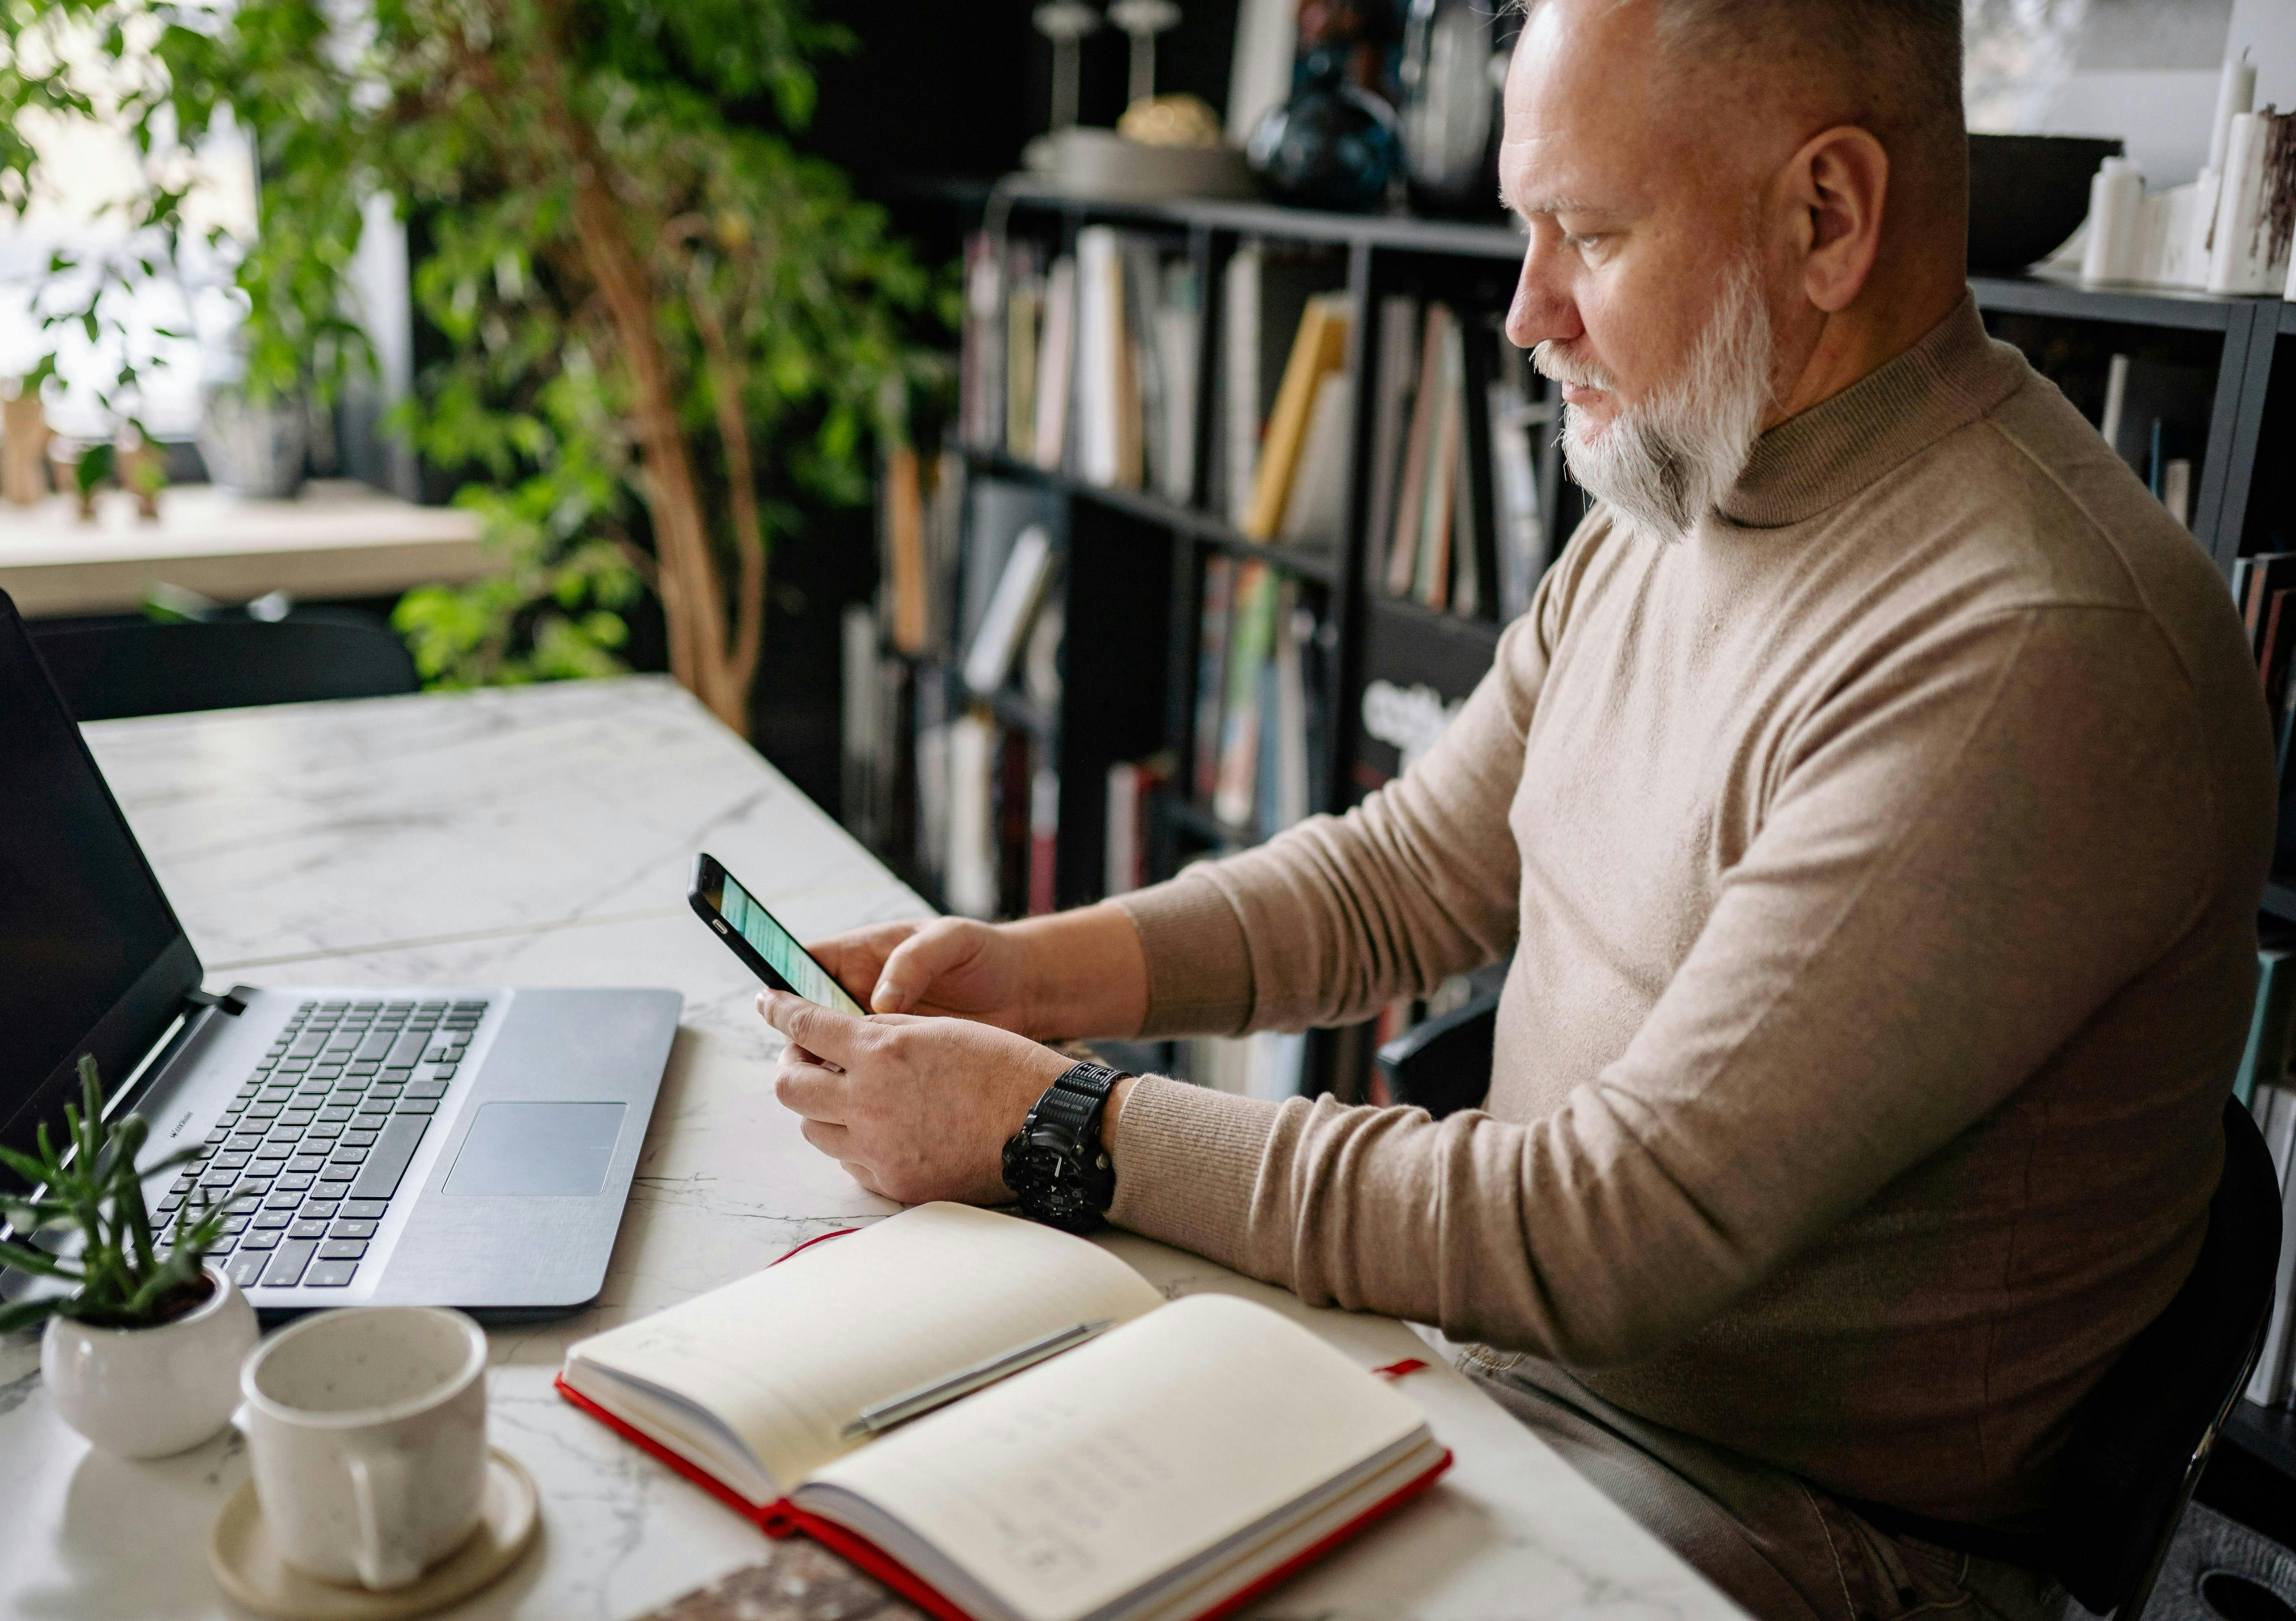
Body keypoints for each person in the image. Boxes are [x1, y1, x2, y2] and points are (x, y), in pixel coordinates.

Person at [757, 1, 2277, 1616]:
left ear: (1826, 219)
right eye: (1524, 227)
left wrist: (1057, 1127)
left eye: (1590, 235)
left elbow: (1610, 1229)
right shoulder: (1693, 465)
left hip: (1784, 1532)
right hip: (1505, 1387)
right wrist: (1028, 974)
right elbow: (1405, 879)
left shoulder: (2032, 649)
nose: (1524, 310)